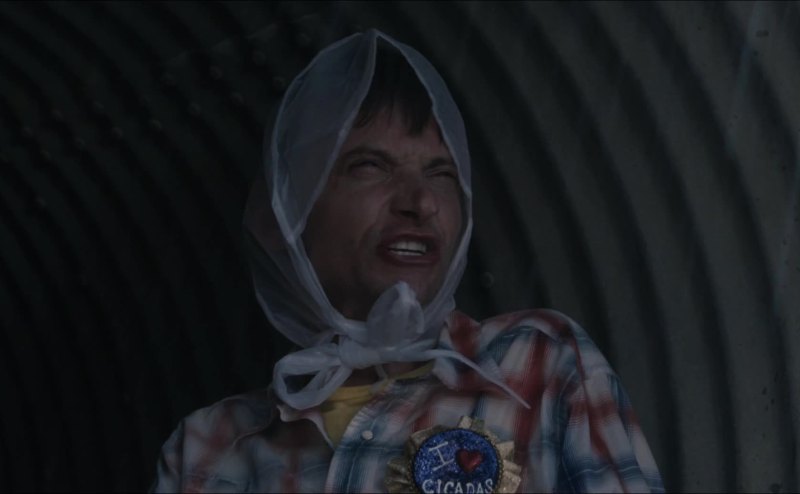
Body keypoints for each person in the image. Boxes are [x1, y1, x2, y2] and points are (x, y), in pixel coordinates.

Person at [151, 29, 664, 493]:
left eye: (441, 173)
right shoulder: (207, 452)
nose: (420, 202)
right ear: (289, 214)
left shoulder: (538, 365)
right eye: (371, 166)